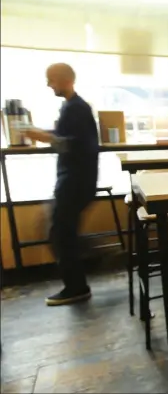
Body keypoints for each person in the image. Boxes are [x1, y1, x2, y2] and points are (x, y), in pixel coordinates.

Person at [24, 63, 99, 306]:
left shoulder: (77, 108)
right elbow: (70, 140)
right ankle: (80, 277)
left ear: (65, 79)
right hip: (74, 180)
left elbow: (75, 145)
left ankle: (77, 286)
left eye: (51, 79)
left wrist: (45, 137)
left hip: (76, 181)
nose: (48, 84)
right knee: (61, 231)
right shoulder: (72, 107)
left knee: (61, 233)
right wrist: (47, 136)